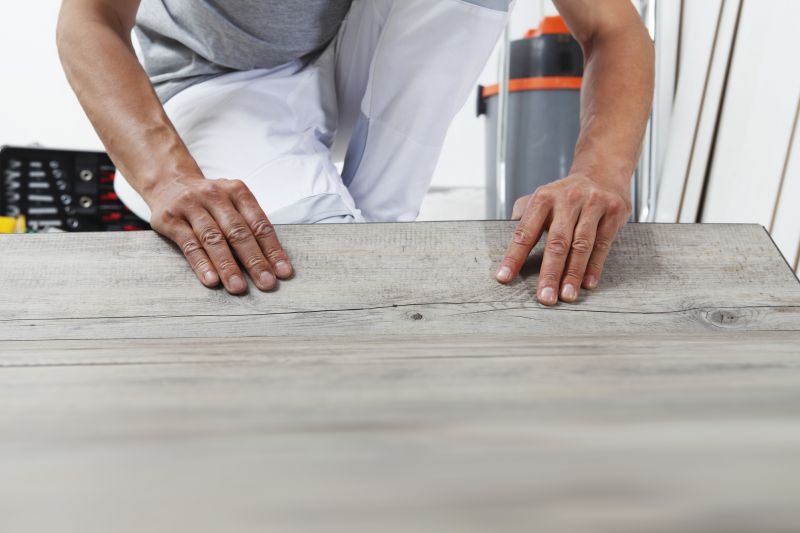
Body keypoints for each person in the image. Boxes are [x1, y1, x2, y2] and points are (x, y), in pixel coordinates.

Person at [57, 0, 654, 305]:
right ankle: (346, 229)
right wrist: (166, 178)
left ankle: (380, 221)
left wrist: (598, 172)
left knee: (354, 253)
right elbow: (89, 18)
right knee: (291, 255)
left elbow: (613, 28)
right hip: (213, 82)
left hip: (342, 57)